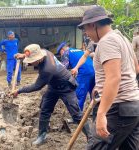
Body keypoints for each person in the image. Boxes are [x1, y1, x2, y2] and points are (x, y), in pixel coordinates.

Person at [77, 5, 139, 150]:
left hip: (118, 109)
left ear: (93, 25)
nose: (86, 33)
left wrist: (101, 113)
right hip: (133, 107)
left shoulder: (107, 41)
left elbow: (114, 77)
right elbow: (135, 69)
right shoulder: (122, 38)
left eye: (86, 29)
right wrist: (100, 87)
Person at [12, 44, 91, 146]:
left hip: (66, 86)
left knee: (76, 114)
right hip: (53, 86)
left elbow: (37, 86)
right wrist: (24, 55)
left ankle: (91, 137)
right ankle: (42, 135)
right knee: (45, 109)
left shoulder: (48, 69)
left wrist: (19, 91)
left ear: (39, 58)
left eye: (32, 60)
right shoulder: (44, 51)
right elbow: (34, 52)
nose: (30, 63)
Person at [57, 42, 95, 111]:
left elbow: (63, 68)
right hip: (93, 69)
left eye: (60, 53)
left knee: (79, 95)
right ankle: (95, 111)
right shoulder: (77, 50)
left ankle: (78, 115)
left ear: (62, 50)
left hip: (84, 72)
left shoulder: (66, 53)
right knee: (93, 92)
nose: (61, 55)